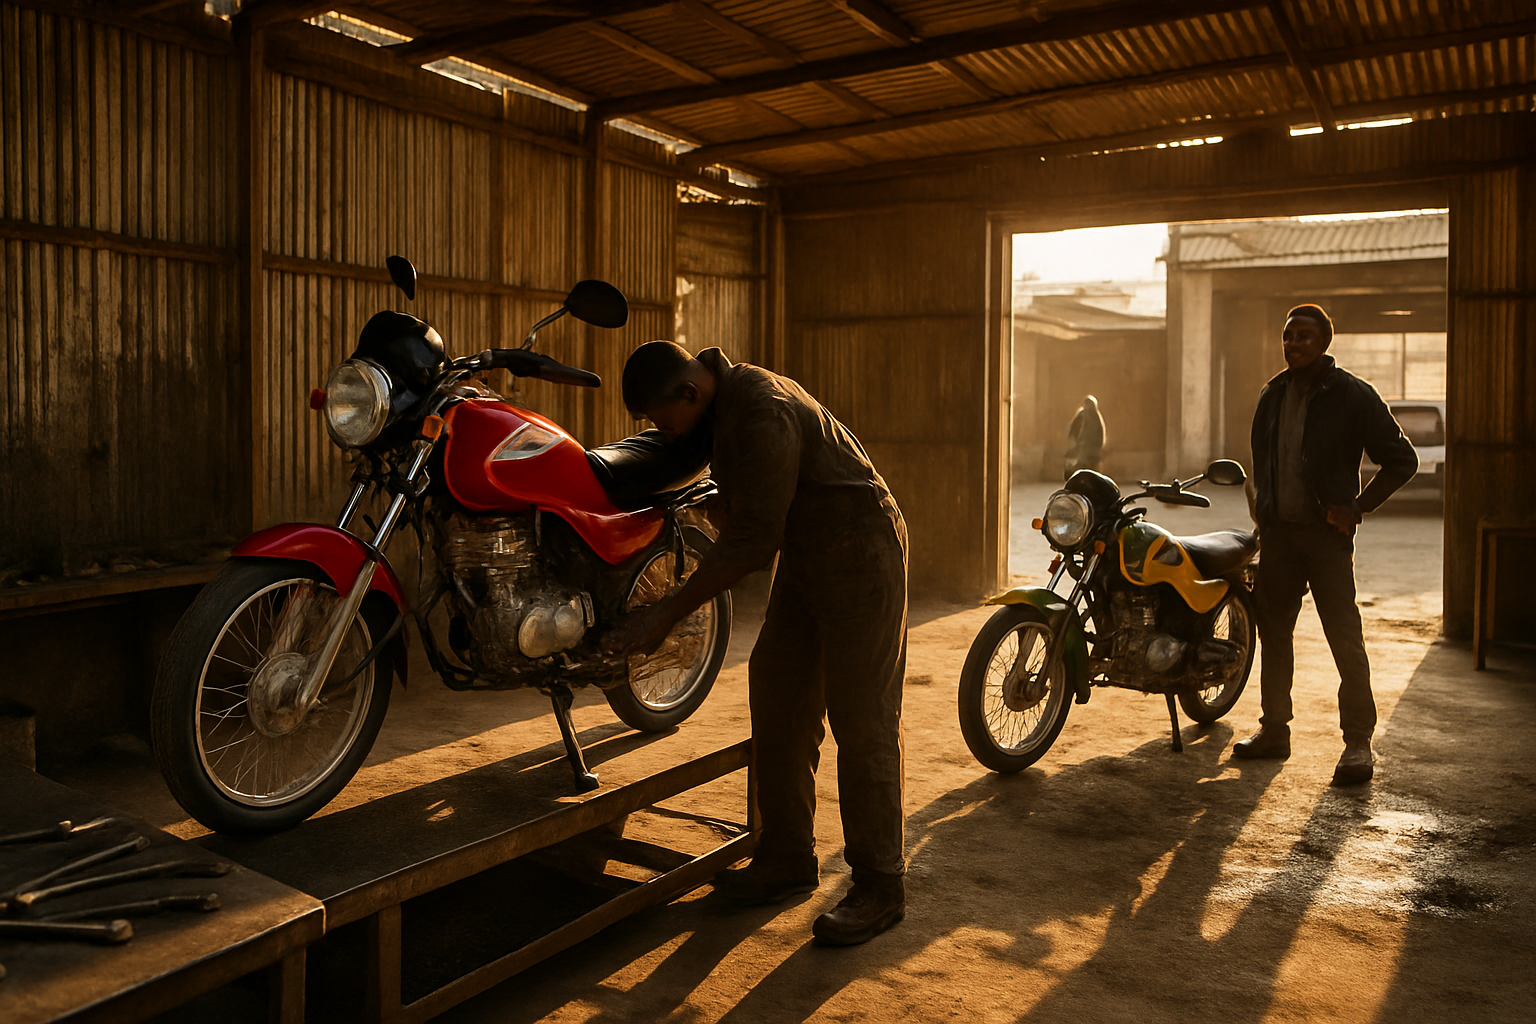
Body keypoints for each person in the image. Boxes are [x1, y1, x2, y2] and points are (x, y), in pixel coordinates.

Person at [603, 341, 909, 946]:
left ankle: (880, 884)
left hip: (862, 555)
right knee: (778, 699)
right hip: (808, 558)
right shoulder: (721, 405)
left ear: (690, 392)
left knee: (862, 718)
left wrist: (665, 613)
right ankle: (788, 859)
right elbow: (759, 509)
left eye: (664, 421)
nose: (666, 435)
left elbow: (751, 543)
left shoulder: (761, 409)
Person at [1235, 304, 1417, 785]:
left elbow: (1402, 460)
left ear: (1325, 343)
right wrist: (1265, 513)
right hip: (1279, 539)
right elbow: (1264, 459)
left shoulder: (1353, 396)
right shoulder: (1272, 395)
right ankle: (1274, 730)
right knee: (1274, 635)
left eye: (1304, 336)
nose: (1293, 343)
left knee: (1343, 636)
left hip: (1326, 539)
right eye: (1288, 335)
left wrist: (1357, 506)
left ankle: (1358, 743)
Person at [1064, 394, 1105, 479]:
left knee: (1090, 467)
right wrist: (1077, 441)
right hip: (1084, 447)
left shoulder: (1095, 417)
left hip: (1091, 448)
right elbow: (1075, 428)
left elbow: (1099, 435)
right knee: (1083, 465)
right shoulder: (1083, 415)